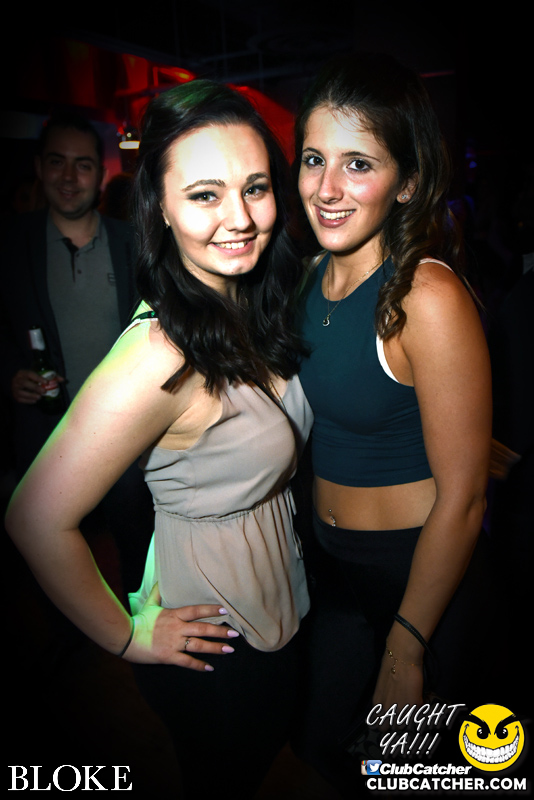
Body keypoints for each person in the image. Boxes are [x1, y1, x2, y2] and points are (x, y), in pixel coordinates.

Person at [6, 79, 313, 798]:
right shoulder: (160, 355)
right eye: (205, 195)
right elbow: (35, 518)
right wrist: (127, 636)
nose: (240, 218)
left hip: (282, 604)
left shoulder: (247, 305)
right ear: (161, 208)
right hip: (219, 646)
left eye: (255, 187)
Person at [292, 53, 493, 792]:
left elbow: (465, 497)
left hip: (419, 573)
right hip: (335, 569)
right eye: (314, 159)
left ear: (406, 182)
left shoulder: (424, 296)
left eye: (358, 164)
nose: (327, 188)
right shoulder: (308, 277)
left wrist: (408, 645)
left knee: (412, 773)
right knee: (325, 747)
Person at [0, 112, 154, 594]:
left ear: (101, 174)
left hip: (124, 433)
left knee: (137, 549)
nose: (69, 177)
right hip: (46, 433)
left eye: (83, 165)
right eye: (57, 162)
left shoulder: (132, 242)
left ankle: (137, 621)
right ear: (39, 168)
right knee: (51, 559)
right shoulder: (10, 243)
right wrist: (9, 373)